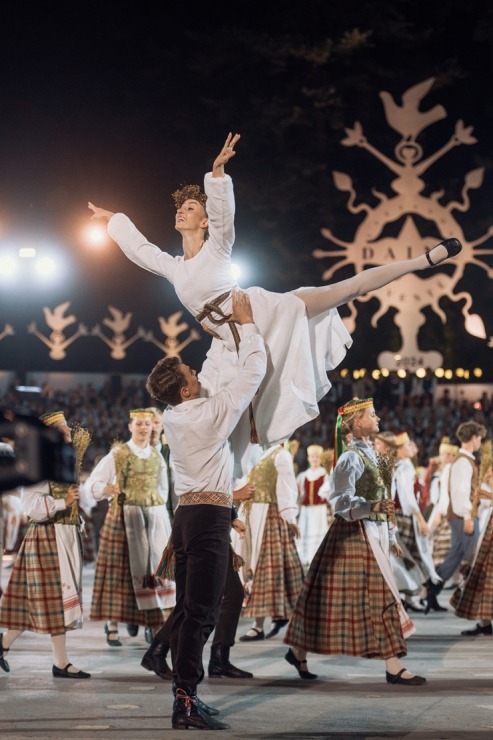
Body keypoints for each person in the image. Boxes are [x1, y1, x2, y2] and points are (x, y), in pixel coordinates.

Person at [88, 133, 462, 476]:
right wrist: (114, 222)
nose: (182, 211)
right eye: (181, 207)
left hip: (262, 313)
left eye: (190, 208)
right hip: (228, 344)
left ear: (204, 222)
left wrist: (216, 176)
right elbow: (141, 251)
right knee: (220, 419)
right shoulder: (175, 268)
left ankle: (422, 261)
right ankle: (224, 496)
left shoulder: (217, 248)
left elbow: (225, 217)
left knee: (347, 289)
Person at [144, 289, 266, 731]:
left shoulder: (175, 418)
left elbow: (213, 389)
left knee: (192, 607)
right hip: (208, 521)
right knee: (202, 612)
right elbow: (253, 373)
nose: (196, 372)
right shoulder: (209, 414)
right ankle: (185, 701)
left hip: (189, 518)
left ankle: (182, 686)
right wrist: (247, 326)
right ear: (185, 388)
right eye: (190, 371)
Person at [284, 398, 426, 686]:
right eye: (371, 415)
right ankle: (393, 666)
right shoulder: (350, 457)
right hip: (354, 534)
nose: (378, 418)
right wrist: (371, 507)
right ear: (357, 422)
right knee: (378, 597)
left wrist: (390, 535)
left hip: (372, 533)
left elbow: (382, 499)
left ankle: (297, 650)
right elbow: (339, 501)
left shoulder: (372, 454)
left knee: (330, 600)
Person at [0, 411, 91, 679]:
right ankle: (58, 662)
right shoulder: (39, 464)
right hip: (46, 537)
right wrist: (65, 503)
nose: (67, 434)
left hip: (64, 534)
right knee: (54, 603)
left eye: (67, 429)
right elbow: (32, 509)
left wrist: (77, 518)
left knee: (53, 604)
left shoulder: (64, 463)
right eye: (61, 430)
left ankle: (11, 646)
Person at [88, 409, 175, 646]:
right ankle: (113, 624)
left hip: (154, 519)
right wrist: (105, 490)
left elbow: (163, 490)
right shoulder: (118, 454)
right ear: (130, 427)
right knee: (121, 572)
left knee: (153, 571)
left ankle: (153, 624)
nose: (144, 428)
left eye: (147, 424)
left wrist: (163, 521)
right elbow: (93, 483)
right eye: (139, 424)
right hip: (125, 518)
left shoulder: (157, 455)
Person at [237, 441, 305, 643]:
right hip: (250, 513)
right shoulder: (253, 451)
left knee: (268, 569)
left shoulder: (280, 454)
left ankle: (267, 621)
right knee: (252, 566)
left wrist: (290, 517)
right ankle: (259, 624)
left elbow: (287, 487)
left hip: (270, 515)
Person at [425, 421, 487, 614]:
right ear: (474, 437)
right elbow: (460, 492)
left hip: (460, 516)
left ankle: (432, 588)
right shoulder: (463, 461)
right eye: (479, 438)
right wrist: (468, 515)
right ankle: (470, 600)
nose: (480, 442)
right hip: (463, 517)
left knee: (455, 556)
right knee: (474, 559)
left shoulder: (463, 460)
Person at [295, 444, 332, 569]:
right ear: (308, 458)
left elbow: (328, 494)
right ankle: (305, 559)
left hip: (319, 511)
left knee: (318, 533)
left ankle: (316, 559)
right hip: (306, 511)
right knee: (306, 532)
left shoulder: (325, 474)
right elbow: (300, 495)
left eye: (316, 457)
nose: (314, 459)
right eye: (312, 456)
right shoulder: (303, 476)